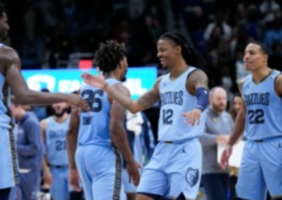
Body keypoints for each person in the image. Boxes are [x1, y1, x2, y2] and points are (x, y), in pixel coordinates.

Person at [82, 31, 209, 200]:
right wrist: (106, 87)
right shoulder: (161, 82)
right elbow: (134, 106)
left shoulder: (194, 75)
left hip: (185, 148)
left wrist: (198, 109)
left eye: (163, 50)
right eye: (158, 50)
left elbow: (204, 94)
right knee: (141, 197)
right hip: (162, 149)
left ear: (178, 50)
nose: (158, 54)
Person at [0, 1, 89, 199]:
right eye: (5, 21)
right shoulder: (5, 54)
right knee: (0, 194)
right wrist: (66, 96)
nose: (9, 26)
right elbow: (24, 96)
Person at [67, 40, 140, 200]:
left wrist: (72, 167)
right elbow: (115, 128)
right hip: (103, 153)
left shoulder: (83, 89)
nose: (127, 63)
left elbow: (72, 130)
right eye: (126, 59)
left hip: (82, 154)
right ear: (120, 62)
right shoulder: (120, 89)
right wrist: (130, 161)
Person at [220, 41, 282, 200]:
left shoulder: (278, 80)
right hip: (251, 145)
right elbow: (243, 114)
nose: (246, 56)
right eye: (245, 53)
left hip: (275, 142)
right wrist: (230, 143)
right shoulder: (243, 84)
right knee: (246, 197)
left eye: (252, 53)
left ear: (264, 58)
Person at [199, 87, 234, 200]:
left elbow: (235, 137)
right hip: (210, 169)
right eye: (218, 98)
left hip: (228, 169)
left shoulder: (228, 117)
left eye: (224, 98)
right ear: (210, 99)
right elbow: (198, 137)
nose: (222, 102)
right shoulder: (203, 116)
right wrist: (218, 138)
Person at [10, 96, 43, 200]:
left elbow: (35, 148)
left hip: (30, 172)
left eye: (9, 108)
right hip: (20, 171)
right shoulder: (18, 123)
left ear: (18, 106)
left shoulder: (31, 122)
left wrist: (13, 150)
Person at [41, 102, 75, 200]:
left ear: (67, 105)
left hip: (72, 168)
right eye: (55, 102)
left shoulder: (74, 121)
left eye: (61, 102)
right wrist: (45, 170)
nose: (57, 105)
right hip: (55, 169)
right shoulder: (45, 124)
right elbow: (41, 150)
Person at [123, 111, 155, 200]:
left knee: (135, 193)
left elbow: (149, 142)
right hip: (121, 162)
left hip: (135, 162)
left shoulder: (140, 116)